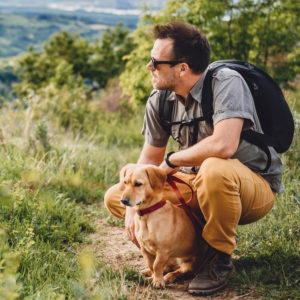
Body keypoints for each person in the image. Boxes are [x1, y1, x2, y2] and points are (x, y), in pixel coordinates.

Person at [104, 21, 284, 295]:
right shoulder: (160, 99)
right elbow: (149, 160)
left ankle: (217, 258)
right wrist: (131, 208)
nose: (148, 66)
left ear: (183, 68)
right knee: (116, 197)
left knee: (214, 169)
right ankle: (184, 250)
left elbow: (224, 144)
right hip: (196, 184)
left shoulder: (226, 83)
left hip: (249, 188)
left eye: (155, 62)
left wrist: (173, 160)